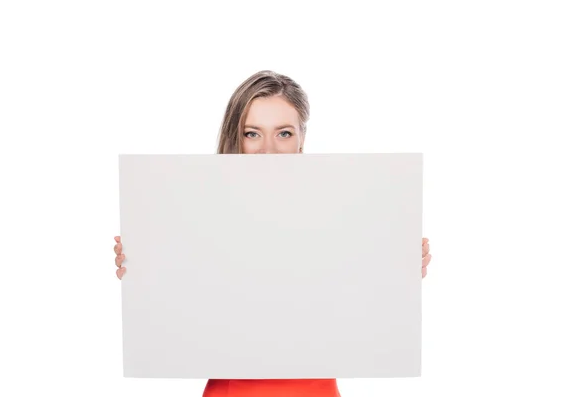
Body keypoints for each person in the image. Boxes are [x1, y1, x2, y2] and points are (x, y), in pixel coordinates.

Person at [112, 70, 433, 397]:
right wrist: (141, 266)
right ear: (235, 138)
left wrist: (398, 271)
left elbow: (360, 305)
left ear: (301, 138)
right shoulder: (195, 217)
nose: (268, 150)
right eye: (252, 134)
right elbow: (177, 315)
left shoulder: (340, 213)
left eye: (283, 133)